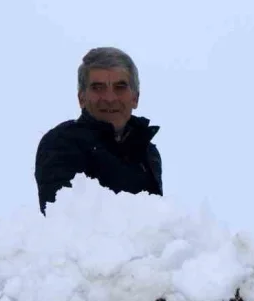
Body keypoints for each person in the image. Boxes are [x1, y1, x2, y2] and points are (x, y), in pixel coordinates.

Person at [34, 47, 163, 214]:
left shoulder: (147, 152)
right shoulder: (61, 144)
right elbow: (64, 220)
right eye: (98, 87)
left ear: (135, 98)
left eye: (120, 87)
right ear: (81, 98)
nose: (110, 98)